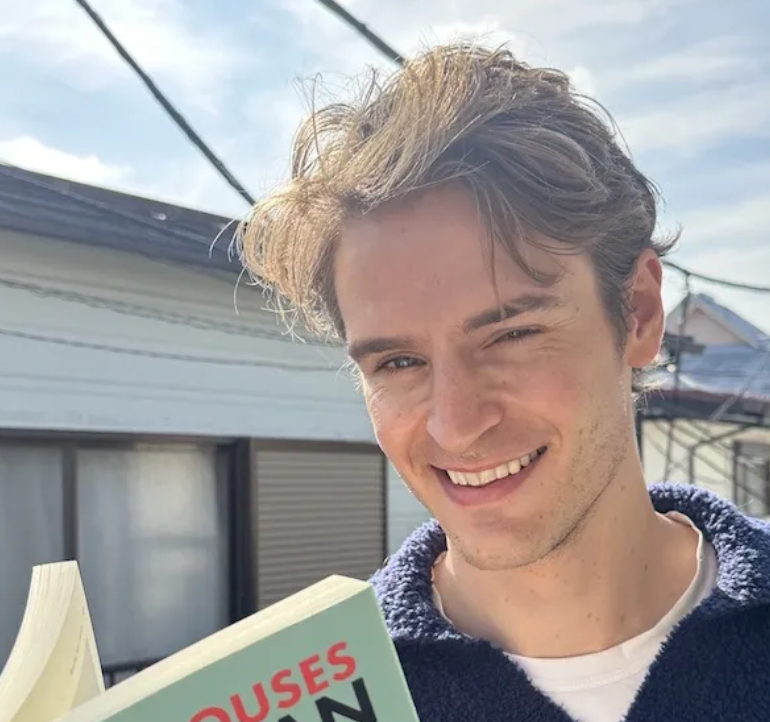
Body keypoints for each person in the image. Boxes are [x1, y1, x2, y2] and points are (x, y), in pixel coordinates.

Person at [237, 43, 770, 722]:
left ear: (637, 312)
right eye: (397, 363)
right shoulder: (313, 702)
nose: (456, 425)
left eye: (511, 336)